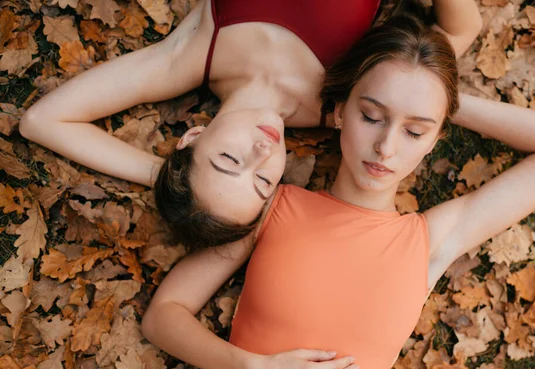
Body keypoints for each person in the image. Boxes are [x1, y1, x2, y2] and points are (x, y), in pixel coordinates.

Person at [140, 8, 535, 369]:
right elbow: (163, 317)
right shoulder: (272, 208)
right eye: (372, 115)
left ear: (434, 140)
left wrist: (438, 96)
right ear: (340, 111)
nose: (385, 147)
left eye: (415, 131)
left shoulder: (430, 240)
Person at [19, 0, 483, 251]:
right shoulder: (345, 106)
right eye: (263, 180)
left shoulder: (189, 57)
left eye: (228, 160)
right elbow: (459, 35)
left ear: (194, 136)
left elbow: (42, 120)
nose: (263, 154)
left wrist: (161, 172)